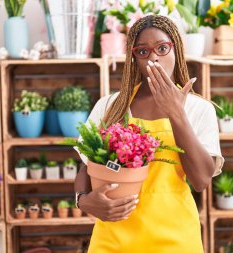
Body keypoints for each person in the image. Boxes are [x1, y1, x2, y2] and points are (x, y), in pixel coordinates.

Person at [74, 14, 224, 253]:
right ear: (134, 57)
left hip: (174, 240)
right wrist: (83, 200)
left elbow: (200, 181)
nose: (153, 56)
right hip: (114, 239)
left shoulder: (198, 108)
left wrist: (176, 113)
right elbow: (85, 165)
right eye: (143, 51)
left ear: (177, 49)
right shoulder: (111, 105)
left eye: (162, 48)